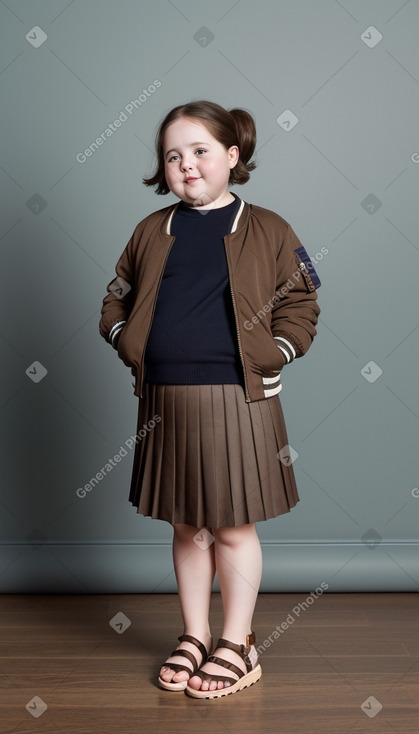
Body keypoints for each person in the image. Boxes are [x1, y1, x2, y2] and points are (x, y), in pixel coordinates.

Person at [99, 100, 321, 700]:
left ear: (232, 155)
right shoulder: (150, 230)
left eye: (199, 151)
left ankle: (238, 642)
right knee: (188, 527)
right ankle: (195, 635)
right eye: (173, 156)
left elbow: (302, 302)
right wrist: (125, 340)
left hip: (240, 399)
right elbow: (115, 298)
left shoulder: (271, 228)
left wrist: (278, 350)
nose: (186, 165)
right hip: (166, 399)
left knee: (230, 527)